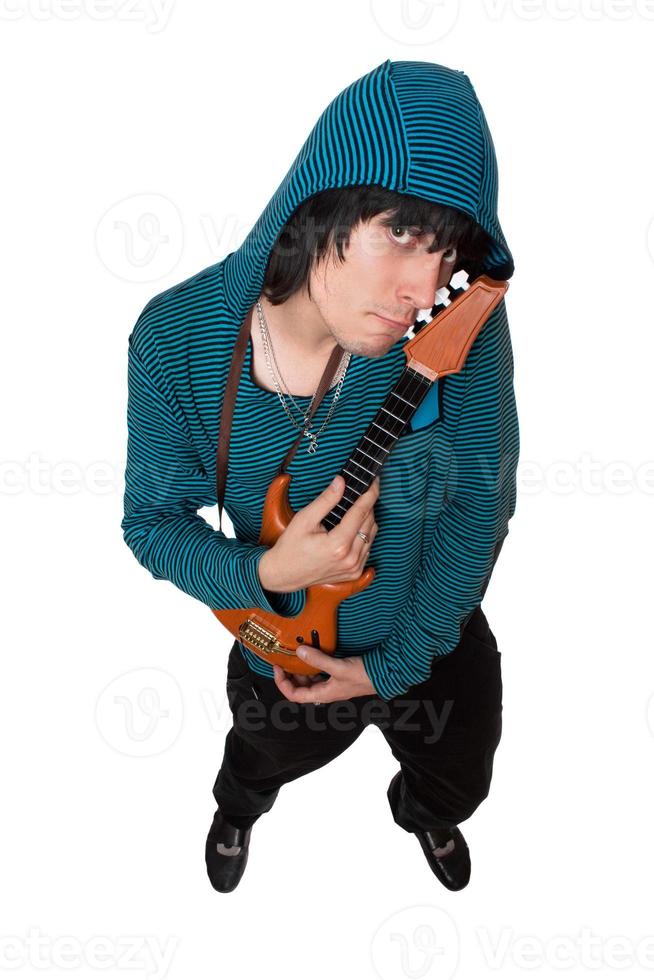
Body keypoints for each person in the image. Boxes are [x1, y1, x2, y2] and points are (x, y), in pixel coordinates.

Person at [121, 59, 519, 894]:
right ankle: (238, 809)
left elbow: (480, 503)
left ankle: (425, 813)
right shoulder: (175, 340)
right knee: (261, 754)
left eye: (444, 247)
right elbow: (151, 521)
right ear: (320, 206)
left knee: (460, 777)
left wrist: (394, 667)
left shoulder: (454, 327)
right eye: (402, 233)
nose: (422, 285)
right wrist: (266, 572)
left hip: (429, 633)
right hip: (283, 642)